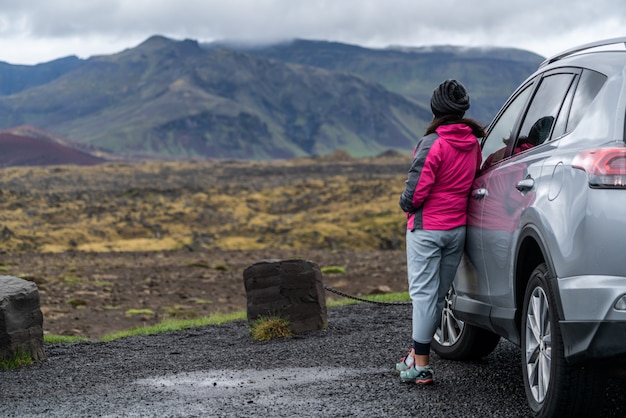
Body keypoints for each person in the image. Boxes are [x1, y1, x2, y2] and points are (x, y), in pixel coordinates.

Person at [396, 79, 485, 385]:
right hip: (456, 231)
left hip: (427, 230)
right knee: (436, 298)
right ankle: (414, 355)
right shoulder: (473, 144)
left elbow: (416, 191)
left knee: (422, 296)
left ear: (435, 109)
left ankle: (421, 367)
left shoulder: (432, 143)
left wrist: (405, 204)